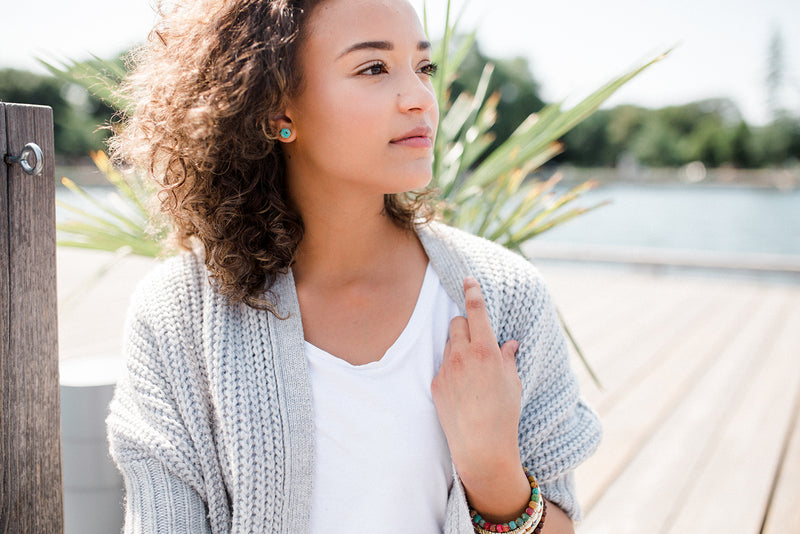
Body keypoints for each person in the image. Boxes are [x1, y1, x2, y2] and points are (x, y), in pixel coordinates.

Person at [105, 0, 602, 532]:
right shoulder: (179, 315)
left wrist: (492, 472)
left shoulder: (506, 296)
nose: (420, 99)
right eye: (373, 68)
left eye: (423, 67)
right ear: (275, 108)